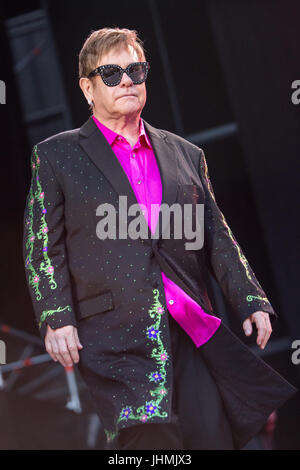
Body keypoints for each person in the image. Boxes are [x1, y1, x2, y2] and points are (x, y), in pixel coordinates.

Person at [23, 27, 297, 450]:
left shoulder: (185, 155)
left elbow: (215, 235)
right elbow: (43, 245)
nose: (127, 80)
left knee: (213, 438)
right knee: (149, 447)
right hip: (117, 339)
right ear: (87, 88)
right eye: (111, 73)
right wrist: (56, 316)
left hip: (191, 328)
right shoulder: (58, 156)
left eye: (135, 69)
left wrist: (250, 298)